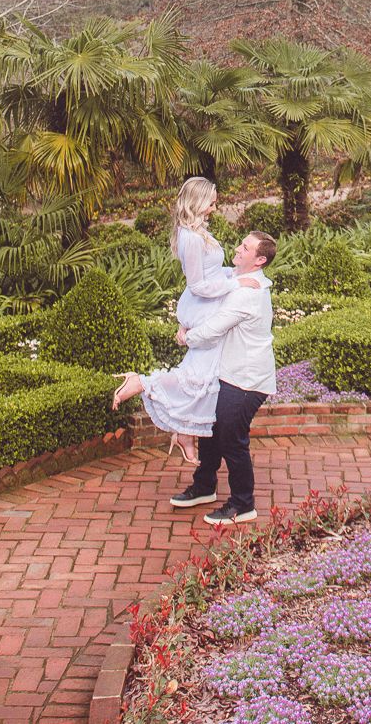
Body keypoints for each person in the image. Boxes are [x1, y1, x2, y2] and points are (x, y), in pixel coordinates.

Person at [109, 177, 250, 463]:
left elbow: (211, 273)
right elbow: (197, 285)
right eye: (211, 201)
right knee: (199, 376)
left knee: (206, 374)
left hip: (208, 302)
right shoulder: (191, 238)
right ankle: (142, 383)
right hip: (204, 305)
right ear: (197, 201)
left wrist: (232, 275)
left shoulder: (199, 232)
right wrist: (236, 285)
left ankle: (184, 431)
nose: (214, 206)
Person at [168, 229, 277, 524]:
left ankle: (243, 504)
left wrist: (186, 337)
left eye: (246, 248)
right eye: (241, 244)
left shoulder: (247, 294)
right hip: (230, 374)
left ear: (260, 260)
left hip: (246, 380)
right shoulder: (237, 279)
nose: (239, 249)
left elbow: (215, 327)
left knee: (232, 439)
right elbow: (208, 283)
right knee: (212, 429)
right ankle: (205, 486)